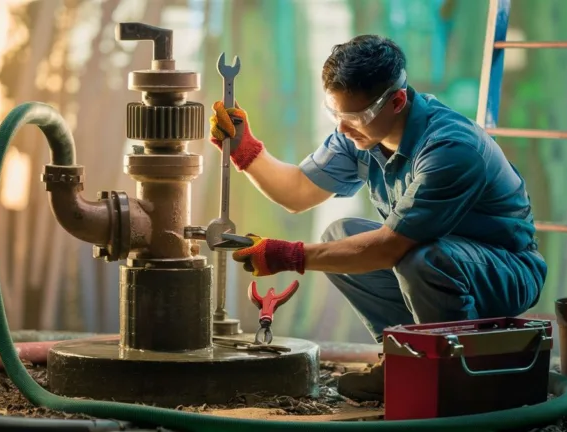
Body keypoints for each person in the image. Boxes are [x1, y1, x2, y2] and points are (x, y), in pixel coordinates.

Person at [207, 35, 547, 402]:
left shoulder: (450, 149)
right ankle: (404, 360)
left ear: (397, 101)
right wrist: (246, 151)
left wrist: (288, 255)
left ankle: (451, 379)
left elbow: (389, 248)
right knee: (341, 234)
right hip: (437, 263)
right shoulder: (359, 133)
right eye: (333, 113)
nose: (341, 128)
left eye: (352, 117)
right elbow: (298, 192)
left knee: (423, 260)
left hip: (506, 271)